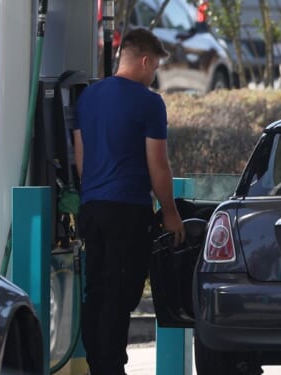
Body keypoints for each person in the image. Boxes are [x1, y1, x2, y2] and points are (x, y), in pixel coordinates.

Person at [72, 28, 185, 375]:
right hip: (128, 210)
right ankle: (111, 367)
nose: (152, 78)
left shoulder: (88, 97)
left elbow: (81, 157)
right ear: (145, 61)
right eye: (153, 70)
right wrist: (170, 212)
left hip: (92, 207)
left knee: (97, 288)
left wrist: (91, 194)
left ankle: (98, 365)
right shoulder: (149, 102)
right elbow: (158, 164)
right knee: (122, 293)